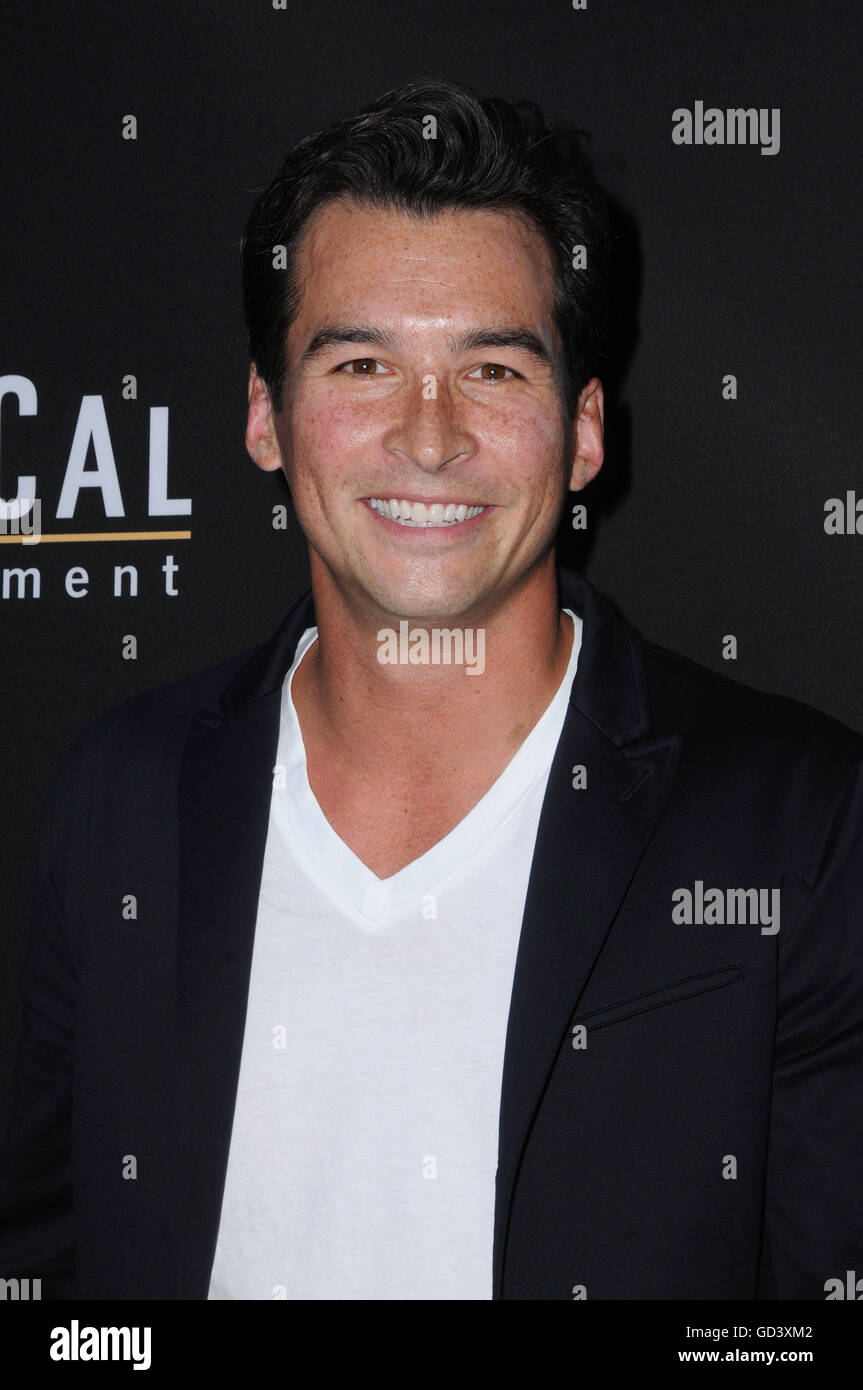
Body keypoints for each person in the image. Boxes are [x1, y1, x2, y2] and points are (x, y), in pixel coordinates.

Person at [0, 78, 861, 1302]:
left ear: (582, 435)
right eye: (359, 362)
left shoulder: (799, 824)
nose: (429, 434)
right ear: (265, 416)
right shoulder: (122, 793)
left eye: (494, 372)